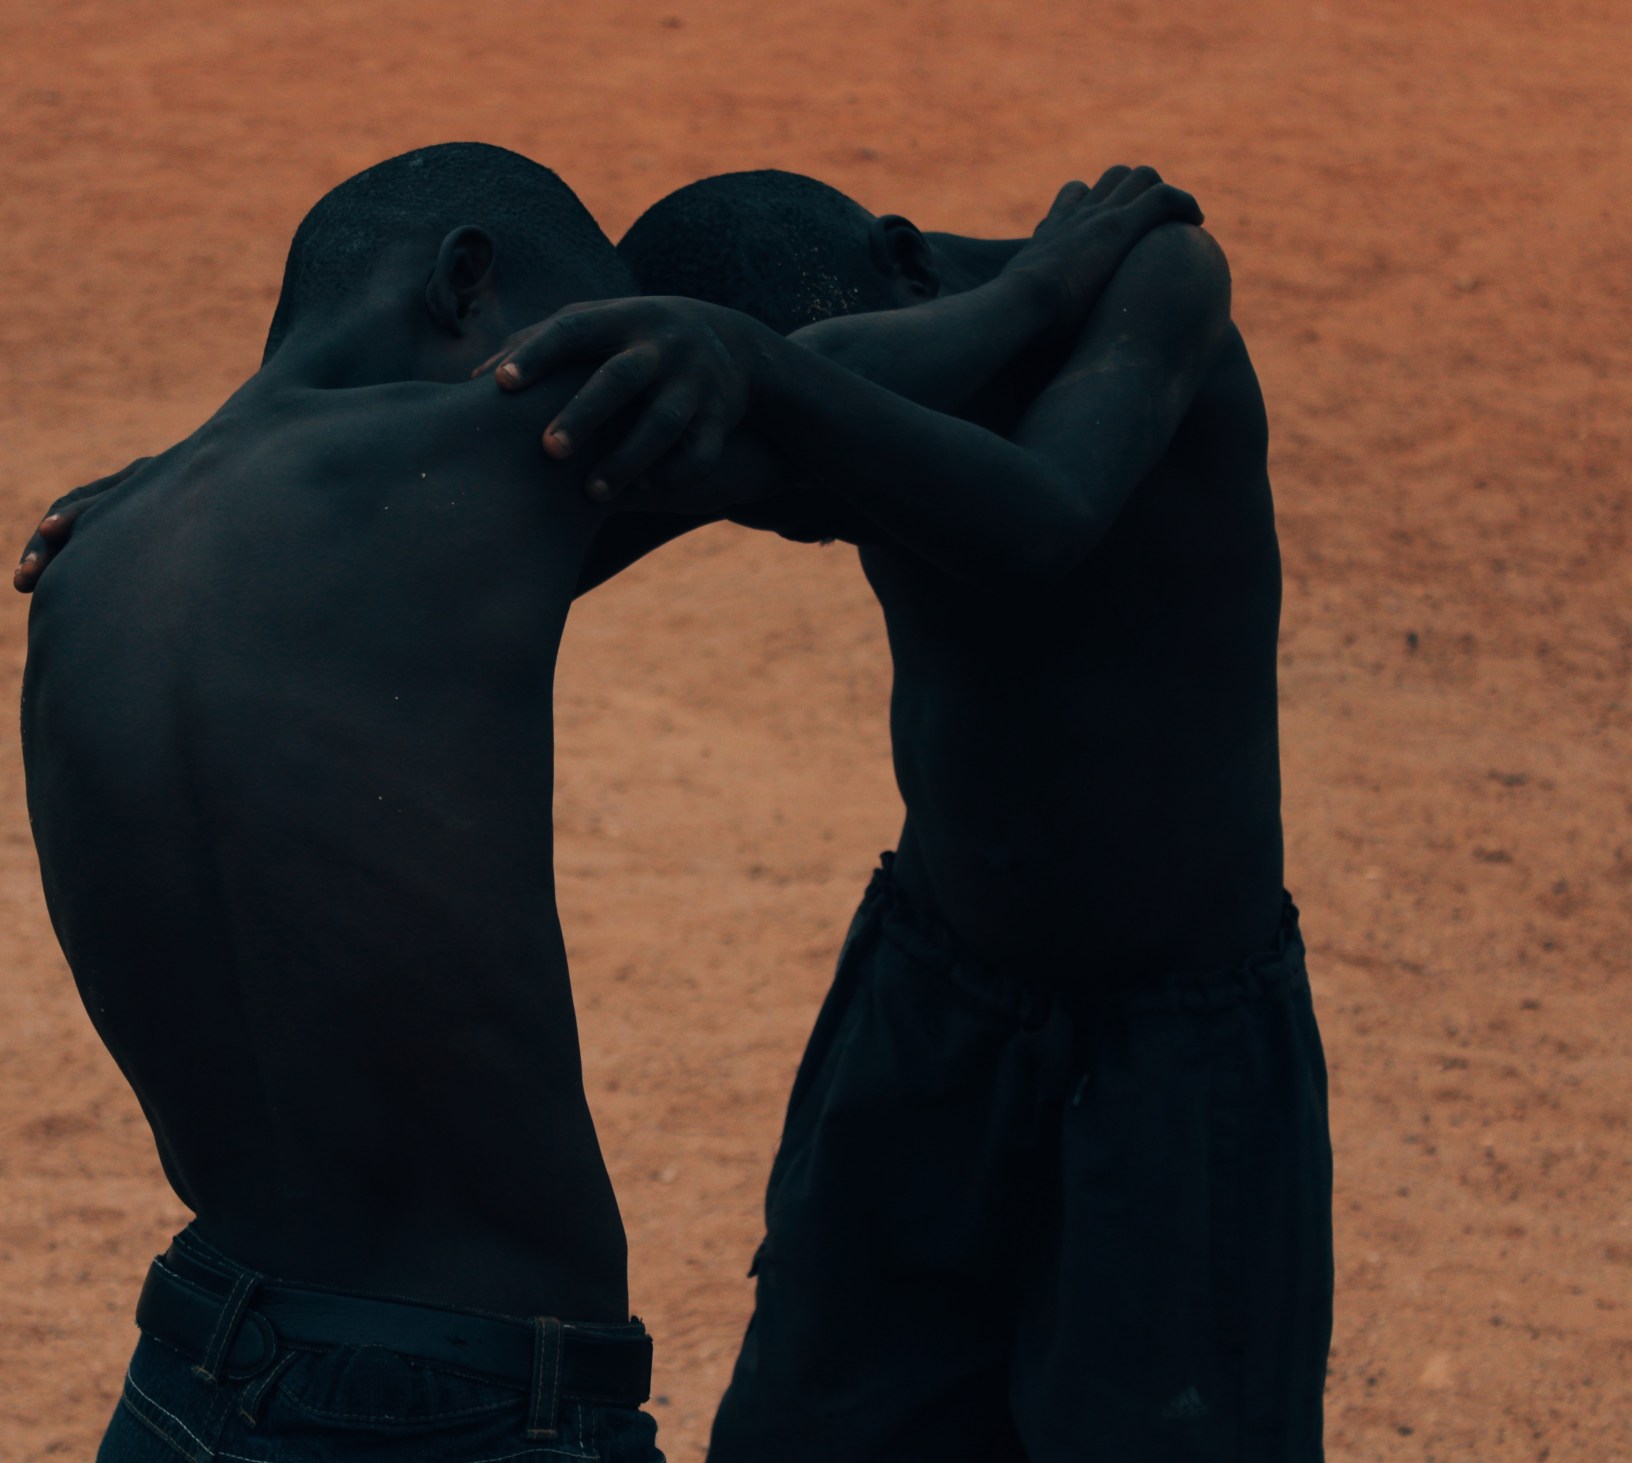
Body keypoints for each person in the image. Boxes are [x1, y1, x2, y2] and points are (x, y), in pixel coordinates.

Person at [16, 145, 1197, 1462]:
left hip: (190, 1366)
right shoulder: (475, 457)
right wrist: (1039, 290)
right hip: (458, 1407)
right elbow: (840, 417)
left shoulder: (93, 548)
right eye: (586, 347)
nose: (621, 401)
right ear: (470, 281)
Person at [489, 168, 1332, 1462]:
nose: (806, 511)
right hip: (931, 1015)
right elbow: (491, 531)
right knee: (815, 1425)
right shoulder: (857, 383)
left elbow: (1039, 517)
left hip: (1171, 1065)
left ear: (905, 270)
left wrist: (815, 365)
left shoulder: (1152, 284)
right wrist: (198, 499)